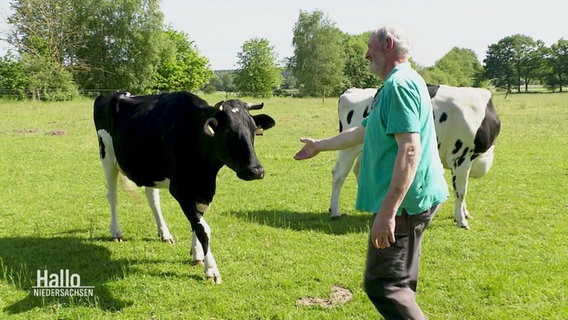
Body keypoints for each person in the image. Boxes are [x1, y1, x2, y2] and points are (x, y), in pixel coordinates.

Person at [294, 25, 449, 319]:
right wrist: (319, 146)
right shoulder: (398, 83)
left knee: (385, 286)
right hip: (415, 199)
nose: (366, 54)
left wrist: (388, 213)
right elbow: (363, 131)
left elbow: (410, 150)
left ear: (387, 44)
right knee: (400, 283)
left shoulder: (399, 86)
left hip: (404, 206)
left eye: (370, 47)